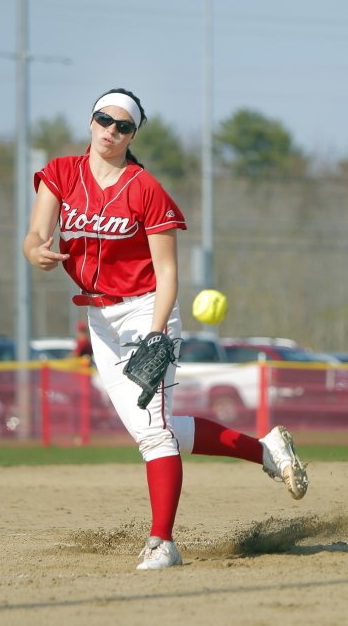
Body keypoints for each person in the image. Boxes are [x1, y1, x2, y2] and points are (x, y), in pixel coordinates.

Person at [22, 88, 309, 571]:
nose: (111, 131)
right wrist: (36, 253)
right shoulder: (61, 173)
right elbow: (35, 236)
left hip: (146, 312)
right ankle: (265, 450)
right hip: (101, 319)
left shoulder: (143, 188)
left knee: (155, 435)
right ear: (90, 122)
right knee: (153, 429)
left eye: (123, 126)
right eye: (104, 120)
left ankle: (163, 543)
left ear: (134, 134)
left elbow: (169, 275)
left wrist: (157, 334)